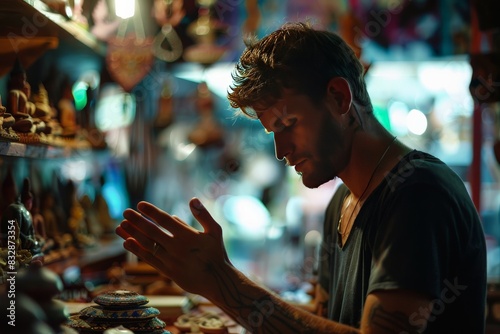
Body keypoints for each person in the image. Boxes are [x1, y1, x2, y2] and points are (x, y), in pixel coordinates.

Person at [116, 22, 487, 333]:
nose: (281, 150)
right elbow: (321, 322)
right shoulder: (342, 203)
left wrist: (224, 283)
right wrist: (219, 291)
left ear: (339, 98)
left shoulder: (417, 193)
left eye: (288, 124)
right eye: (272, 132)